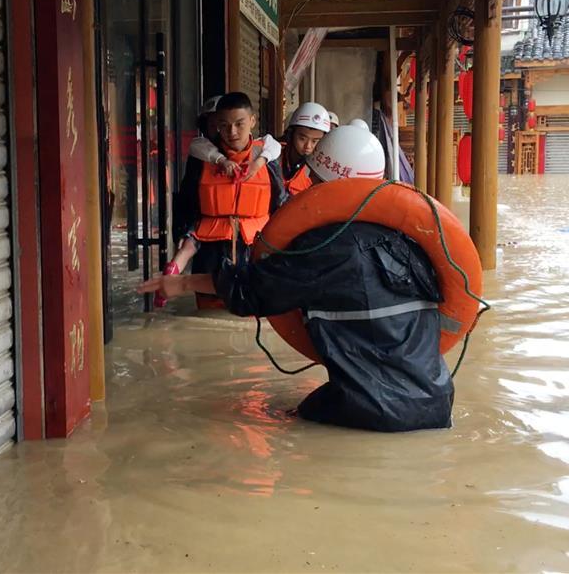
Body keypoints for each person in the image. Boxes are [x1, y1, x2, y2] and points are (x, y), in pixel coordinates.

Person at [139, 121, 454, 432]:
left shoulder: (331, 247)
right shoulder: (409, 240)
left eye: (315, 182)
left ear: (331, 187)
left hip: (371, 409)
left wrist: (181, 282)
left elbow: (252, 289)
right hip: (437, 400)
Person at [161, 96, 282, 307]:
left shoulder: (267, 157)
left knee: (252, 309)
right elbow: (188, 197)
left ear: (252, 121)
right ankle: (167, 283)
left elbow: (280, 202)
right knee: (207, 317)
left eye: (239, 124)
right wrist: (183, 232)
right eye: (224, 125)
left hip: (253, 246)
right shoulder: (203, 156)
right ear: (217, 125)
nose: (232, 132)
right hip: (211, 249)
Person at [278, 102, 331, 197]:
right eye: (302, 138)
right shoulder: (272, 155)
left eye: (315, 141)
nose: (308, 146)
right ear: (291, 134)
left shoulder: (319, 171)